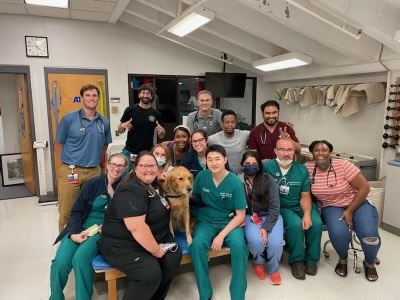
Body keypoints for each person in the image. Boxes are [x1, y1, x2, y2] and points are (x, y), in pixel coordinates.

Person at [97, 151, 182, 300]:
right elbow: (136, 227)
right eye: (144, 166)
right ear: (135, 168)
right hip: (123, 245)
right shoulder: (130, 189)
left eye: (152, 166)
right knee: (149, 274)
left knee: (172, 258)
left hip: (152, 239)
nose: (149, 169)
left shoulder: (153, 185)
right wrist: (156, 250)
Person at [49, 153, 126, 300]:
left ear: (124, 168)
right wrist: (73, 233)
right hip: (79, 226)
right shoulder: (93, 183)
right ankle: (55, 297)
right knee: (60, 262)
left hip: (100, 230)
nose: (116, 168)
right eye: (113, 164)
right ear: (107, 165)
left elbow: (124, 215)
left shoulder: (125, 188)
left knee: (80, 259)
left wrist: (108, 226)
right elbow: (76, 210)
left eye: (120, 165)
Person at [305, 140, 381, 281]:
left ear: (330, 152)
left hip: (358, 203)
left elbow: (364, 188)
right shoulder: (308, 168)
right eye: (317, 150)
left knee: (370, 235)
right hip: (331, 206)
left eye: (324, 150)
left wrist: (349, 211)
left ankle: (369, 262)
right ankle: (343, 259)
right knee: (339, 233)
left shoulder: (344, 165)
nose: (321, 153)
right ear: (312, 153)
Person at [189, 144, 248, 300]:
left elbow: (240, 215)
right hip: (206, 221)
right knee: (196, 245)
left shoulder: (235, 182)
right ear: (206, 161)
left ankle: (237, 295)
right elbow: (194, 199)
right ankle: (205, 293)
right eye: (210, 159)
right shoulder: (202, 177)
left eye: (217, 159)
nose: (214, 163)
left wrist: (221, 235)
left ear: (225, 160)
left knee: (238, 247)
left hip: (229, 222)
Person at [54, 84, 112, 232]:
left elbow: (105, 145)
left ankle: (87, 236)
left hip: (94, 171)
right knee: (67, 209)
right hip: (71, 170)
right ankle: (65, 241)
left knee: (93, 207)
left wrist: (96, 161)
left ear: (98, 98)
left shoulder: (104, 122)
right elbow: (58, 144)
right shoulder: (68, 119)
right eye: (88, 95)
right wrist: (68, 162)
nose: (91, 98)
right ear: (81, 98)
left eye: (94, 95)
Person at [263, 138, 322, 280]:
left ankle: (312, 260)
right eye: (282, 150)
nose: (286, 153)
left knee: (316, 223)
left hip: (302, 203)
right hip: (283, 206)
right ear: (275, 151)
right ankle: (297, 260)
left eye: (289, 150)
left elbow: (305, 195)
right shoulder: (266, 167)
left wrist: (307, 214)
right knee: (295, 225)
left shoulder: (301, 169)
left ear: (294, 152)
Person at [238, 151, 284, 284]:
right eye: (247, 164)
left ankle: (273, 268)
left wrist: (266, 227)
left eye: (254, 163)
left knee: (276, 243)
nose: (250, 166)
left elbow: (275, 207)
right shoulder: (237, 180)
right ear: (242, 164)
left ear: (259, 165)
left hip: (270, 215)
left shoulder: (268, 179)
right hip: (248, 216)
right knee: (256, 242)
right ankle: (258, 262)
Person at [118, 84, 166, 171]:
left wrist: (162, 131)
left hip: (147, 153)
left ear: (151, 96)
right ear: (139, 95)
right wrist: (122, 126)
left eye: (148, 93)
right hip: (130, 152)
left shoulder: (156, 114)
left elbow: (162, 135)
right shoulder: (130, 110)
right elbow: (120, 130)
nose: (145, 95)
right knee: (122, 175)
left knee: (144, 178)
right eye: (143, 93)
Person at [208, 110, 250, 174]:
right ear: (222, 123)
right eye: (227, 122)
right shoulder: (213, 139)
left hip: (241, 174)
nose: (230, 125)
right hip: (222, 175)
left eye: (233, 122)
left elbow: (257, 133)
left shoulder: (244, 135)